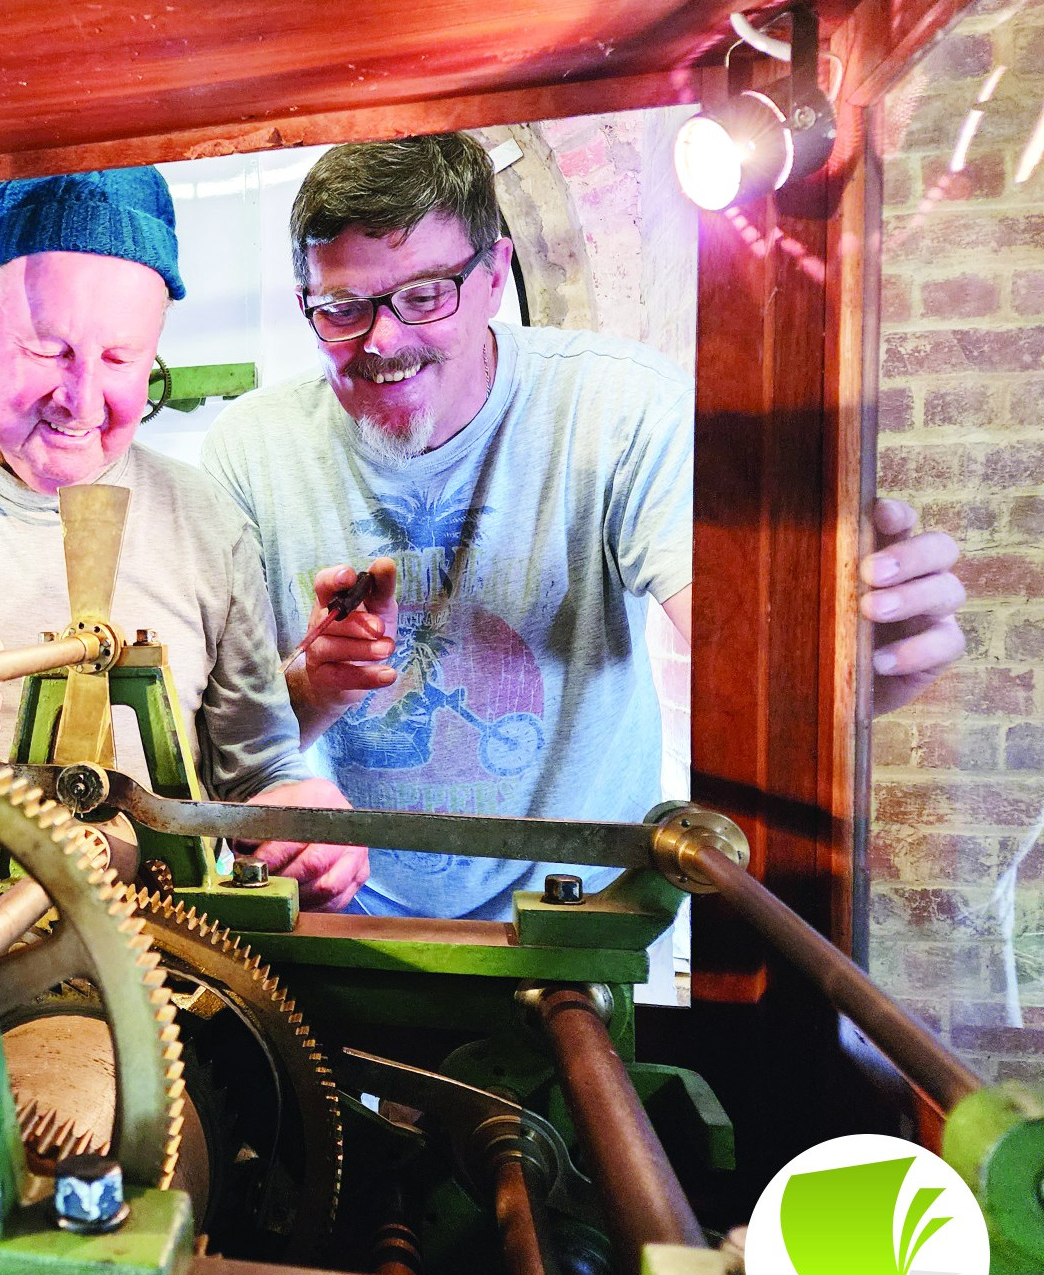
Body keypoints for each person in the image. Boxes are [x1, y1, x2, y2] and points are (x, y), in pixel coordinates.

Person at [203, 134, 967, 920]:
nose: (383, 340)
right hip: (342, 920)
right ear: (307, 306)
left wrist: (827, 671)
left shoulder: (620, 410)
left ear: (495, 275)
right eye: (342, 308)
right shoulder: (248, 450)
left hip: (586, 920)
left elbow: (742, 648)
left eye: (426, 295)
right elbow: (230, 734)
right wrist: (309, 691)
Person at [0, 169, 368, 907]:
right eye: (51, 350)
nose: (81, 400)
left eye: (120, 359)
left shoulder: (209, 526)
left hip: (161, 971)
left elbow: (254, 772)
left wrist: (301, 825)